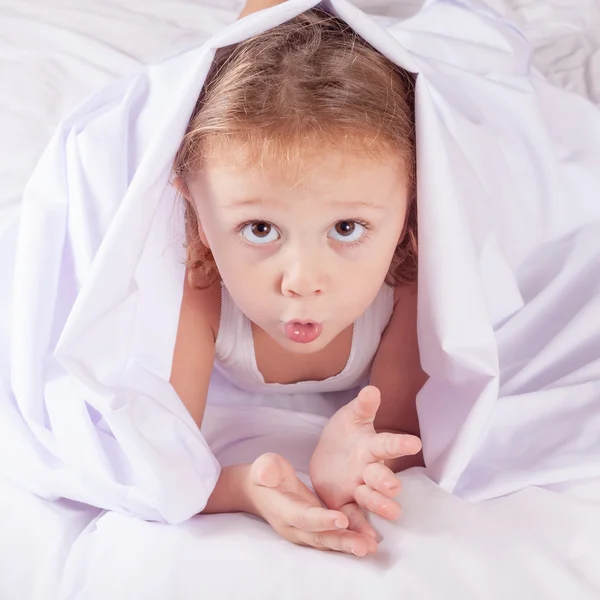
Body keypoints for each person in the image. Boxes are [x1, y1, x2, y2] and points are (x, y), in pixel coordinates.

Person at [169, 0, 428, 557]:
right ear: (196, 211)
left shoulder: (407, 282)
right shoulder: (199, 286)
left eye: (346, 227)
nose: (304, 282)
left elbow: (399, 436)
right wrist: (245, 489)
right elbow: (159, 455)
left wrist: (354, 466)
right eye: (259, 228)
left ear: (409, 208)